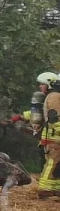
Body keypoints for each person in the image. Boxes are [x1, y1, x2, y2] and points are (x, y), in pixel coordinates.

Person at [29, 71, 60, 199]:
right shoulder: (55, 96)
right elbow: (55, 118)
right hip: (55, 138)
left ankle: (56, 189)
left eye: (42, 84)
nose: (40, 87)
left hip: (55, 136)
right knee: (53, 162)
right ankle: (45, 190)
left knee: (57, 164)